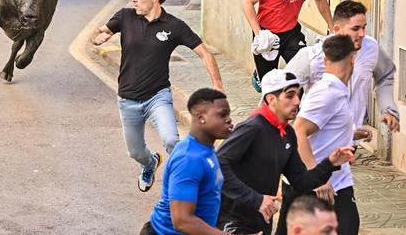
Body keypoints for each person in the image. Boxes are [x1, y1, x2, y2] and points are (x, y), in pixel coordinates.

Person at [92, 0, 223, 192]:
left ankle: (190, 181)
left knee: (171, 139)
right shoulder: (125, 17)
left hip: (157, 97)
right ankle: (150, 163)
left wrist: (218, 87)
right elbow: (101, 32)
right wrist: (99, 37)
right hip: (127, 99)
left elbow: (205, 54)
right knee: (134, 152)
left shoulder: (174, 26)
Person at [216, 69, 354, 235]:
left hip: (262, 219)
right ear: (271, 99)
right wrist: (256, 199)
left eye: (298, 94)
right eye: (290, 95)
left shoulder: (287, 133)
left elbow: (301, 182)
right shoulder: (252, 128)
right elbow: (218, 164)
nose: (297, 101)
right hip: (233, 220)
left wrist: (330, 163)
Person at [276, 35, 360, 235]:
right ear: (352, 59)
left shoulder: (337, 89)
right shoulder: (327, 91)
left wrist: (351, 132)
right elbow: (299, 130)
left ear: (324, 61)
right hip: (317, 185)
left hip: (337, 181)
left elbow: (323, 126)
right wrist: (318, 177)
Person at [285, 0, 401, 136]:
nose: (362, 34)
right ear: (336, 29)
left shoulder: (371, 48)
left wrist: (388, 109)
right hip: (315, 141)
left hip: (349, 140)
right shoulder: (312, 56)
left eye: (364, 27)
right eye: (356, 29)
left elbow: (385, 75)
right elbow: (280, 92)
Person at [140, 88, 233, 235]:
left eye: (228, 114)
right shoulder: (189, 159)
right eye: (222, 114)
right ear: (201, 117)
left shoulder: (206, 149)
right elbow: (182, 221)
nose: (229, 120)